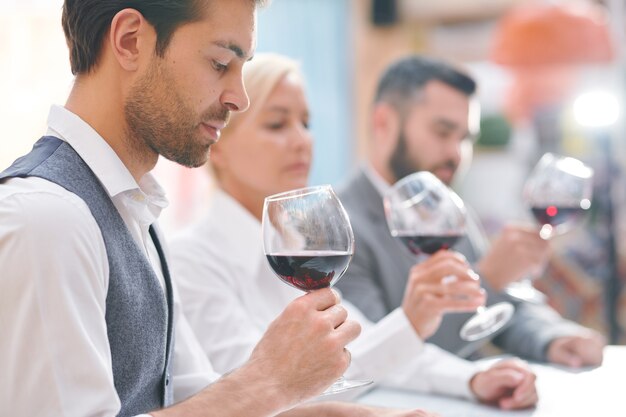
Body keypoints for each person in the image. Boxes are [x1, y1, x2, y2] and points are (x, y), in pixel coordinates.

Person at [0, 2, 438, 416]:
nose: (239, 98)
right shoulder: (48, 219)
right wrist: (269, 380)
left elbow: (199, 398)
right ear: (131, 40)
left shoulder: (135, 215)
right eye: (219, 64)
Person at [170, 52, 538, 411]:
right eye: (277, 124)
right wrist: (410, 322)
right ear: (216, 144)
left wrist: (471, 380)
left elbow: (367, 343)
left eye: (306, 123)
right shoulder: (192, 261)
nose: (302, 141)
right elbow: (264, 394)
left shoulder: (298, 248)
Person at [334, 54, 606, 367]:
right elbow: (380, 357)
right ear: (383, 122)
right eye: (442, 132)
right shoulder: (341, 230)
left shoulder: (448, 211)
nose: (456, 153)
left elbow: (505, 307)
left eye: (465, 139)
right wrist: (487, 279)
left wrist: (554, 337)